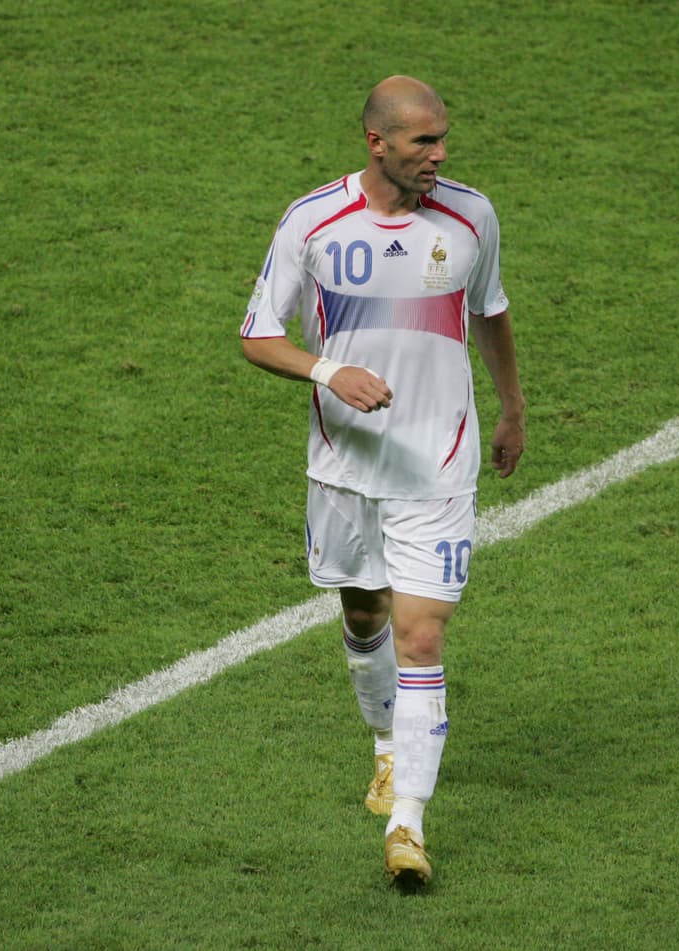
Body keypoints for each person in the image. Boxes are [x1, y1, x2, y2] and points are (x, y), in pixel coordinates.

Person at [239, 75, 525, 887]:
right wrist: (330, 371)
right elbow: (257, 334)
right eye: (424, 141)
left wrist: (512, 405)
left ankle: (408, 827)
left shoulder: (471, 217)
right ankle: (386, 746)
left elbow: (490, 310)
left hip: (439, 465)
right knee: (363, 615)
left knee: (421, 636)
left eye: (443, 138)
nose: (440, 154)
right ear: (377, 142)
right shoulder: (312, 221)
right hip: (345, 467)